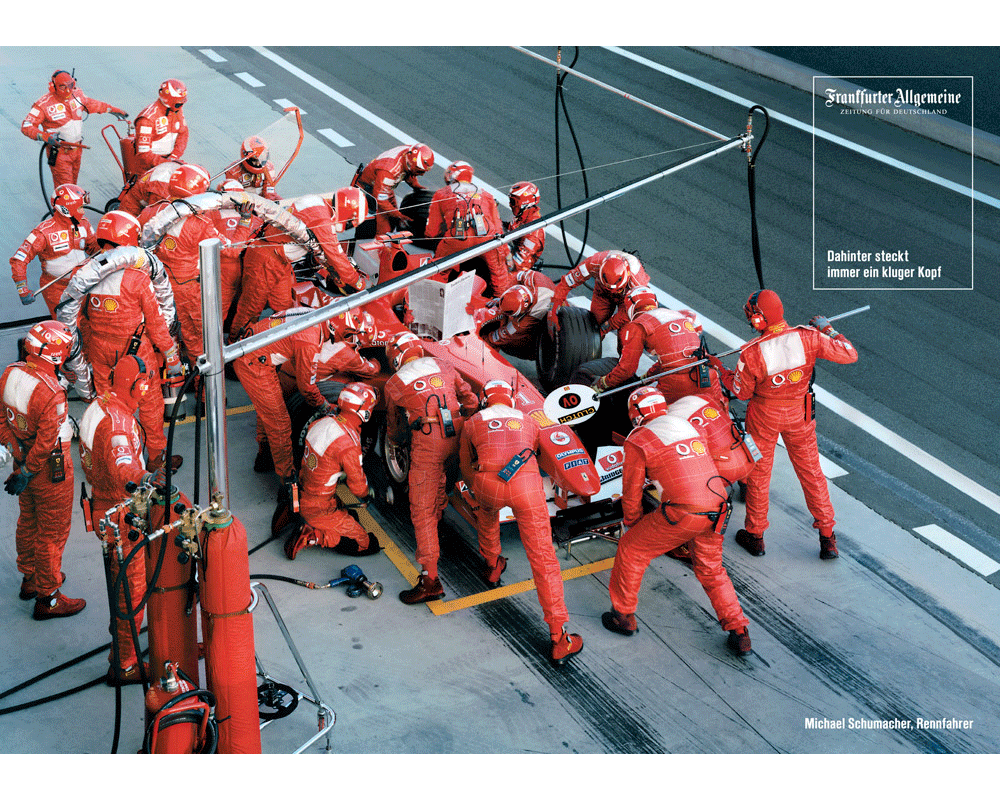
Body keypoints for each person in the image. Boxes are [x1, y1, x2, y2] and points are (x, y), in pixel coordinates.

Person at [601, 386, 753, 657]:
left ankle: (622, 616)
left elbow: (632, 491)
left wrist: (633, 523)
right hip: (719, 504)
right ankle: (739, 629)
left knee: (632, 550)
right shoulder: (688, 425)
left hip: (683, 510)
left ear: (635, 414)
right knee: (711, 569)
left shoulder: (639, 439)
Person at [710, 289, 859, 560]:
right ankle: (828, 537)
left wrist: (721, 369)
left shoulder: (751, 353)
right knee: (812, 472)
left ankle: (755, 535)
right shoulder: (810, 337)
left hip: (764, 416)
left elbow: (741, 392)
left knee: (759, 473)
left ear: (759, 319)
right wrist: (828, 329)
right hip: (800, 413)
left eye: (752, 316)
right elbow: (850, 354)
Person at [459, 380, 584, 666]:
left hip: (488, 483)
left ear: (484, 400)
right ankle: (559, 637)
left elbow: (466, 466)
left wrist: (478, 489)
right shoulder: (530, 421)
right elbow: (538, 454)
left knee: (487, 515)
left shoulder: (472, 423)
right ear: (511, 400)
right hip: (526, 487)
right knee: (543, 558)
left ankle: (493, 565)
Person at [60, 210, 184, 470]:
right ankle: (156, 459)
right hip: (137, 353)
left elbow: (77, 320)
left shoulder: (83, 274)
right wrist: (171, 356)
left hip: (99, 351)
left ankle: (112, 459)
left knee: (107, 405)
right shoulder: (137, 278)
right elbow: (157, 324)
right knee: (150, 405)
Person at [78, 354, 167, 684]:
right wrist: (146, 478)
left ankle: (124, 650)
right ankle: (125, 665)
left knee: (123, 590)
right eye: (143, 385)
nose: (146, 391)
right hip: (122, 514)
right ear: (134, 385)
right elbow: (122, 468)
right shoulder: (117, 425)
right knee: (131, 592)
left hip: (107, 507)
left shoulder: (101, 404)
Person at [384, 333, 479, 604]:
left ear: (396, 357)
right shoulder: (443, 364)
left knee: (421, 509)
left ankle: (430, 581)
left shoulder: (395, 382)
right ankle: (439, 524)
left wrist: (397, 441)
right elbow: (470, 400)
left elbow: (394, 427)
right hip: (458, 434)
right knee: (441, 480)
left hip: (428, 440)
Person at [1, 320, 86, 620]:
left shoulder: (10, 372)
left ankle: (30, 579)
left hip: (21, 461)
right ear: (54, 354)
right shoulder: (52, 393)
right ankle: (48, 597)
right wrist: (28, 470)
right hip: (50, 471)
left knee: (28, 521)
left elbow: (2, 421)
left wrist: (19, 460)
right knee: (52, 532)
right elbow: (48, 442)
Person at [147, 164, 253, 363]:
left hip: (155, 283)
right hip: (187, 290)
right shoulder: (200, 224)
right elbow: (232, 250)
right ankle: (201, 378)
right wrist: (245, 221)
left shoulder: (155, 209)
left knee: (163, 330)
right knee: (199, 336)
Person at [228, 191, 367, 338]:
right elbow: (336, 255)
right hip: (266, 259)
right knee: (251, 308)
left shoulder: (317, 202)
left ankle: (282, 341)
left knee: (285, 307)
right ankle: (235, 342)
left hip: (278, 259)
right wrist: (358, 283)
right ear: (349, 213)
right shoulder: (321, 218)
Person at [232, 313, 340, 483]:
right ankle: (287, 479)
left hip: (252, 348)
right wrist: (325, 406)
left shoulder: (313, 316)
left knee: (267, 410)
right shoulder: (310, 341)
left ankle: (264, 456)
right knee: (279, 422)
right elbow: (307, 388)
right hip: (254, 362)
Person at [285, 383, 381, 559]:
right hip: (319, 507)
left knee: (352, 515)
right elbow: (358, 487)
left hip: (305, 490)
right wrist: (368, 492)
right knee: (365, 543)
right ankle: (312, 536)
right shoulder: (348, 444)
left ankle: (297, 515)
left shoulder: (320, 422)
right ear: (365, 412)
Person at [591, 286, 725, 407]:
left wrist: (602, 384)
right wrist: (645, 378)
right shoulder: (677, 315)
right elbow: (673, 358)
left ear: (631, 307)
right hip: (708, 376)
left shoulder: (637, 325)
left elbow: (626, 370)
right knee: (719, 418)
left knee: (649, 417)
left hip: (676, 384)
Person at [21, 70, 127, 186]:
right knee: (66, 188)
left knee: (73, 186)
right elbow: (26, 126)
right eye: (62, 87)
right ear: (53, 87)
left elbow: (94, 104)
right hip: (59, 153)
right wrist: (44, 136)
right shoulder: (43, 104)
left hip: (77, 150)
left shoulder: (78, 95)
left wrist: (113, 110)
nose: (68, 90)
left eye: (70, 85)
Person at [424, 160, 512, 297]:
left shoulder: (441, 193)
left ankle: (435, 298)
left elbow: (431, 232)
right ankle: (501, 303)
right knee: (499, 274)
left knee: (438, 271)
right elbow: (498, 230)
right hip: (487, 240)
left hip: (456, 239)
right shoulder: (486, 194)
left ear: (452, 175)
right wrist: (506, 254)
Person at [10, 183, 99, 316]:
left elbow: (95, 249)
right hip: (57, 289)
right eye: (80, 208)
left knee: (91, 321)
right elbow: (18, 260)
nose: (83, 212)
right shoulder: (42, 232)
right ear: (67, 209)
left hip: (84, 283)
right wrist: (22, 289)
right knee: (67, 325)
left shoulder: (84, 224)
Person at [546, 249, 650, 335]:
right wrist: (554, 306)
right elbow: (567, 283)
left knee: (626, 336)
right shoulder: (593, 263)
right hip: (603, 293)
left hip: (627, 301)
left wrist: (608, 325)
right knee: (594, 327)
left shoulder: (638, 283)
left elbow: (633, 311)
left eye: (616, 289)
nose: (612, 292)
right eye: (608, 287)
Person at [354, 143, 434, 236]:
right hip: (368, 191)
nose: (422, 174)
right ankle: (376, 243)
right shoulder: (390, 172)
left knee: (393, 220)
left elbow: (408, 172)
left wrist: (416, 186)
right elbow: (380, 200)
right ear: (411, 164)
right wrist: (399, 215)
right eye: (420, 171)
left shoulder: (410, 152)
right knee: (385, 231)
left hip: (383, 186)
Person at [481, 269, 556, 352]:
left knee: (514, 344)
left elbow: (506, 334)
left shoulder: (531, 317)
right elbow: (515, 278)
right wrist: (501, 297)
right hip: (545, 285)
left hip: (554, 308)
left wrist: (485, 341)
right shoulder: (530, 277)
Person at [133, 79, 189, 174]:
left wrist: (174, 156)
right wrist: (167, 162)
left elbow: (183, 133)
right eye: (178, 103)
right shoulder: (146, 120)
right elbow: (144, 155)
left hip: (168, 163)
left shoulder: (176, 109)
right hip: (147, 169)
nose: (181, 105)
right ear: (168, 100)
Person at [116, 161, 187, 217]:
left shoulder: (180, 169)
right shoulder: (162, 187)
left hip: (138, 196)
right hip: (132, 208)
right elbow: (154, 216)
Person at [222, 136, 282, 201]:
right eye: (255, 160)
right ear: (246, 157)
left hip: (263, 199)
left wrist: (269, 203)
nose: (259, 163)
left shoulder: (269, 167)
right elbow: (234, 197)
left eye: (262, 159)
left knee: (285, 204)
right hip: (245, 200)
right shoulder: (233, 172)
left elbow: (269, 191)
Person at [506, 181, 545, 272]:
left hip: (517, 270)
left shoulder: (533, 232)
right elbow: (508, 229)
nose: (510, 204)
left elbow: (517, 265)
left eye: (513, 201)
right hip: (512, 251)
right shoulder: (523, 215)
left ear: (525, 202)